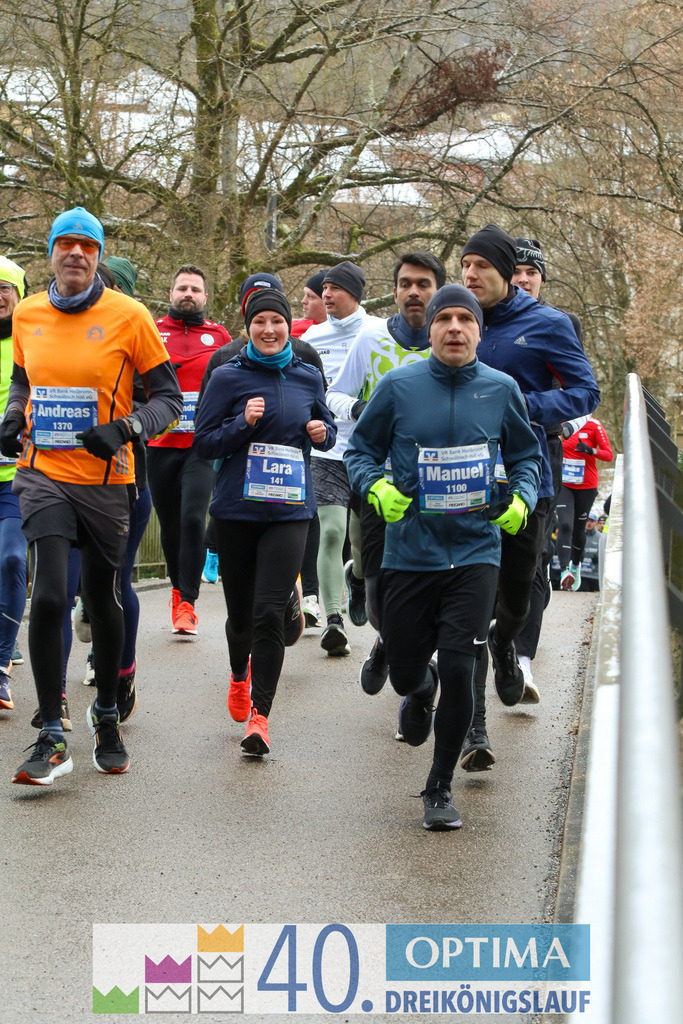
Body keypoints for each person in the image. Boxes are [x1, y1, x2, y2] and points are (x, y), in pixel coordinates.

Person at [345, 284, 542, 830]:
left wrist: (522, 499)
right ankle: (417, 688)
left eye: (466, 319)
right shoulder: (398, 385)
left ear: (480, 331)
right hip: (411, 553)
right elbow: (360, 451)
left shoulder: (501, 390)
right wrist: (374, 488)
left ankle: (438, 787)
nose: (455, 327)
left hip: (477, 552)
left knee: (460, 667)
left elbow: (527, 456)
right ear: (429, 329)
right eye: (444, 319)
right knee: (412, 671)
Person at [2, 206, 182, 785]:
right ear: (50, 253)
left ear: (99, 256)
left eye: (87, 245)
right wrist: (12, 414)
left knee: (102, 599)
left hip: (107, 483)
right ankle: (51, 732)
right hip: (42, 472)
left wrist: (126, 428)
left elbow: (168, 401)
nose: (76, 253)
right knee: (51, 595)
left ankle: (106, 712)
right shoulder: (28, 314)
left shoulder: (129, 316)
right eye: (65, 244)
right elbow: (24, 379)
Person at [459, 224, 599, 769]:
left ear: (505, 274)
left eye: (480, 270)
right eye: (464, 268)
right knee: (470, 602)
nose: (470, 278)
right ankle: (474, 730)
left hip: (528, 481)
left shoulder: (549, 324)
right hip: (461, 485)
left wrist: (518, 408)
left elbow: (583, 391)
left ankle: (508, 645)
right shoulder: (456, 319)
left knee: (516, 597)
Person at [193, 290, 336, 756]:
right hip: (238, 511)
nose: (270, 329)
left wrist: (323, 431)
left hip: (291, 511)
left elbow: (327, 425)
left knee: (268, 613)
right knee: (240, 617)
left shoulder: (308, 376)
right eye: (260, 322)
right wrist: (242, 425)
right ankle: (239, 675)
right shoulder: (227, 377)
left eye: (277, 321)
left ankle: (261, 717)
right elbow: (205, 443)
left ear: (287, 325)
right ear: (248, 328)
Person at [326, 251, 446, 692]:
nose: (414, 292)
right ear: (394, 291)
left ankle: (411, 669)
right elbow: (333, 395)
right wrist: (361, 408)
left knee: (432, 585)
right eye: (405, 283)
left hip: (438, 488)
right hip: (378, 481)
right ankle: (384, 636)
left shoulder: (452, 342)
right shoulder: (372, 339)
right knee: (378, 594)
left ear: (438, 291)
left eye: (424, 284)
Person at [302, 262, 384, 655]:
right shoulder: (312, 337)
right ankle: (333, 620)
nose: (326, 294)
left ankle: (358, 579)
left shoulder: (380, 333)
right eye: (325, 288)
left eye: (334, 288)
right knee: (332, 532)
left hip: (371, 452)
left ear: (355, 293)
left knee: (365, 544)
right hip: (328, 450)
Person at [148, 264, 231, 636]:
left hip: (201, 446)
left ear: (205, 297)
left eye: (195, 289)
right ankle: (177, 590)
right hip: (159, 445)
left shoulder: (220, 336)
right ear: (170, 294)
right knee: (169, 526)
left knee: (194, 519)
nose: (188, 294)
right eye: (182, 288)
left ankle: (188, 604)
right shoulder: (151, 332)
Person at [0, 256, 28, 715]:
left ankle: (0, 665)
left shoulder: (31, 340)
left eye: (6, 287)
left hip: (16, 477)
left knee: (10, 558)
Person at [557, 416, 613, 590]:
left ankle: (575, 566)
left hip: (586, 485)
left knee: (579, 528)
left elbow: (609, 455)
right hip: (564, 484)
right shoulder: (559, 423)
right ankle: (564, 570)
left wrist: (591, 451)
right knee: (565, 525)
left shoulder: (594, 425)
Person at [291, 270, 326, 338]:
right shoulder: (291, 328)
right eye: (305, 295)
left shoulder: (345, 332)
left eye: (310, 296)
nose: (303, 301)